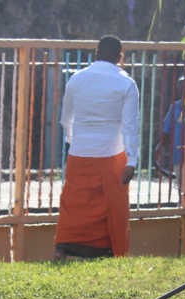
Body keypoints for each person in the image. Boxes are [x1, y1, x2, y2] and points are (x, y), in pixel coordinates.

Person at [55, 35, 140, 259]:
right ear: (119, 57)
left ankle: (63, 248)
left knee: (74, 204)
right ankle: (112, 251)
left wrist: (75, 141)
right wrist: (131, 160)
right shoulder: (126, 84)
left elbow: (66, 119)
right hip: (112, 154)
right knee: (112, 206)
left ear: (96, 54)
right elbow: (130, 126)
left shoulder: (76, 79)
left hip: (79, 154)